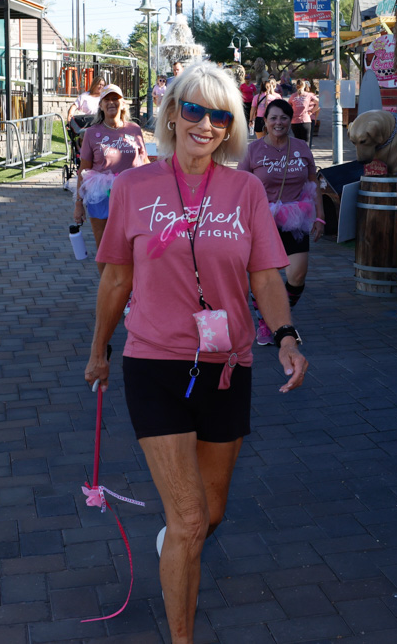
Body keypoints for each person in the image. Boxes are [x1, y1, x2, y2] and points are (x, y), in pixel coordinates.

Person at [84, 62, 308, 644]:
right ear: (172, 113)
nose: (204, 124)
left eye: (219, 115)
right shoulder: (134, 187)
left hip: (227, 367)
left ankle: (176, 547)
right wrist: (99, 351)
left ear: (230, 126)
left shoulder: (246, 190)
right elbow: (114, 280)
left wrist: (286, 336)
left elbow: (265, 277)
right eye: (194, 110)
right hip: (155, 364)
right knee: (186, 520)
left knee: (209, 515)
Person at [238, 98, 323, 345]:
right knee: (265, 276)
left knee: (297, 275)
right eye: (273, 118)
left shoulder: (301, 147)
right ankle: (268, 321)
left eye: (284, 118)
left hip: (296, 219)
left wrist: (320, 216)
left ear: (290, 120)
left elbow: (313, 182)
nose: (279, 122)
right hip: (261, 220)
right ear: (265, 121)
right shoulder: (252, 150)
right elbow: (240, 187)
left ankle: (276, 314)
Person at [74, 84, 149, 275]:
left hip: (130, 194)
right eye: (107, 99)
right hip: (100, 195)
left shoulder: (134, 130)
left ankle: (131, 295)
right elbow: (84, 169)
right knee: (104, 247)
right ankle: (108, 292)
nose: (111, 103)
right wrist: (78, 203)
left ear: (123, 104)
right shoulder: (91, 133)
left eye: (115, 99)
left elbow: (145, 161)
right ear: (101, 105)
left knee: (132, 245)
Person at [287, 79, 319, 145]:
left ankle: (298, 155)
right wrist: (311, 112)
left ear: (296, 86)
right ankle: (306, 155)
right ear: (304, 86)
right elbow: (319, 103)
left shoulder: (293, 96)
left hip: (295, 122)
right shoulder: (308, 95)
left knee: (297, 142)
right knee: (306, 142)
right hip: (305, 121)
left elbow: (287, 107)